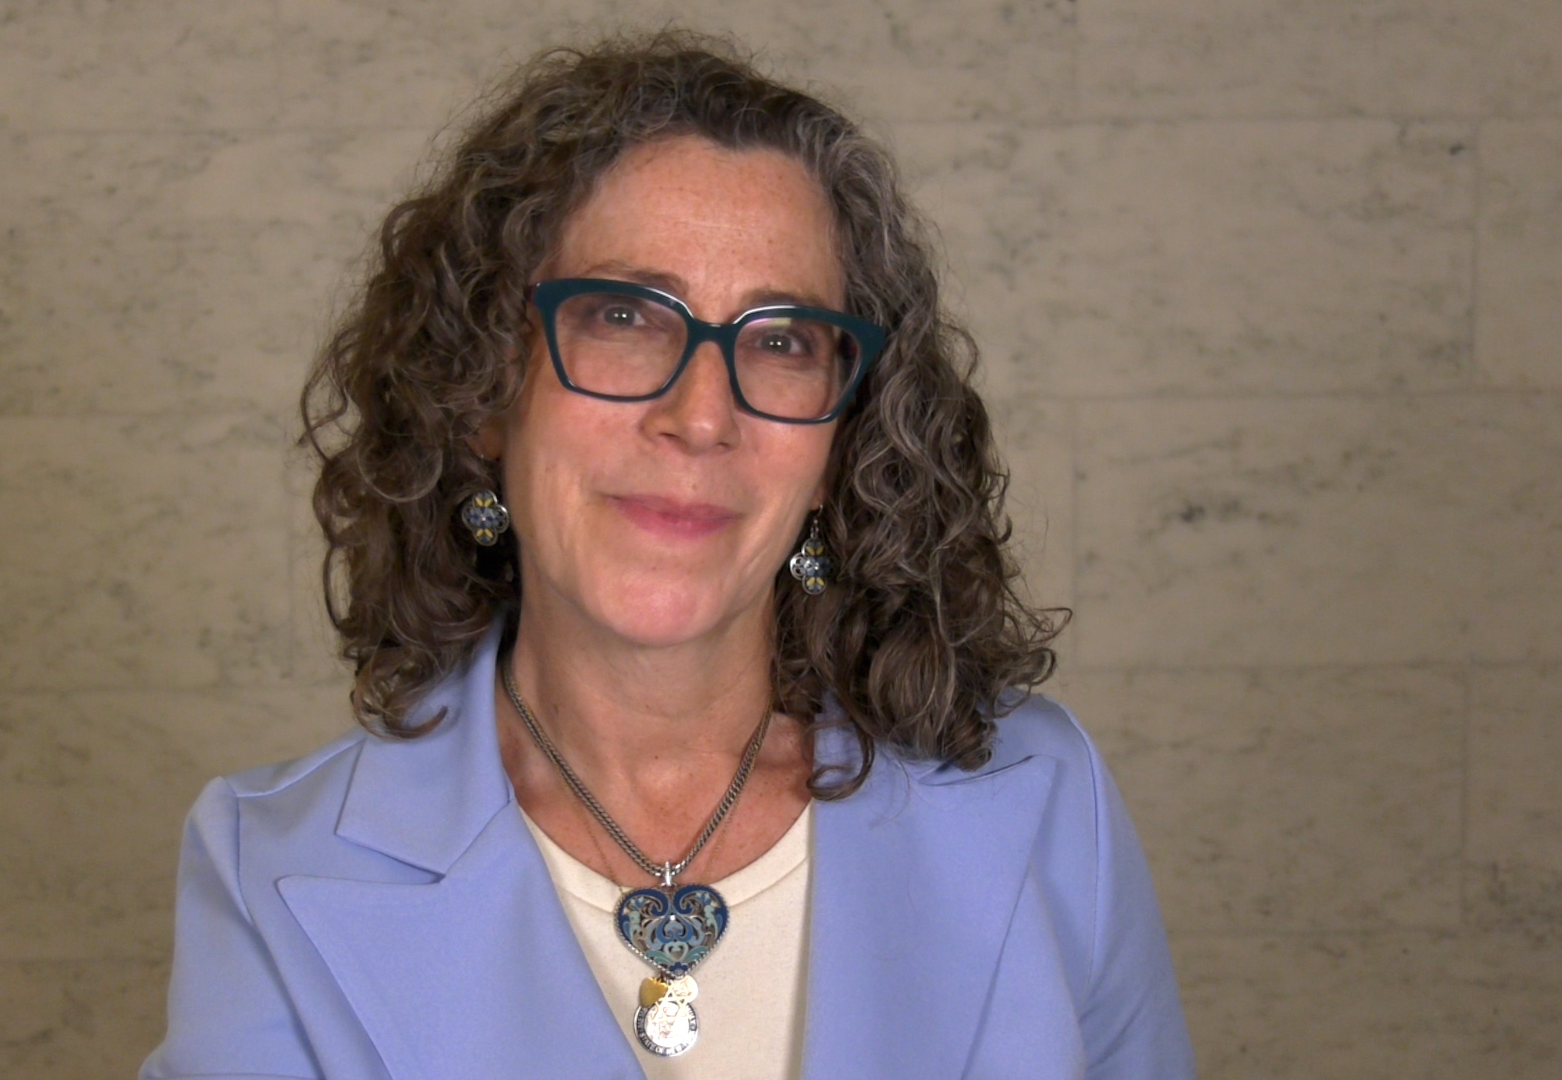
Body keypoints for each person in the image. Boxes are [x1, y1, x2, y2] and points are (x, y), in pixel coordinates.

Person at [142, 31, 1194, 1080]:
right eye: (623, 317)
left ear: (841, 443)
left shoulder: (1044, 796)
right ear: (482, 392)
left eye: (780, 340)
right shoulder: (269, 871)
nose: (700, 416)